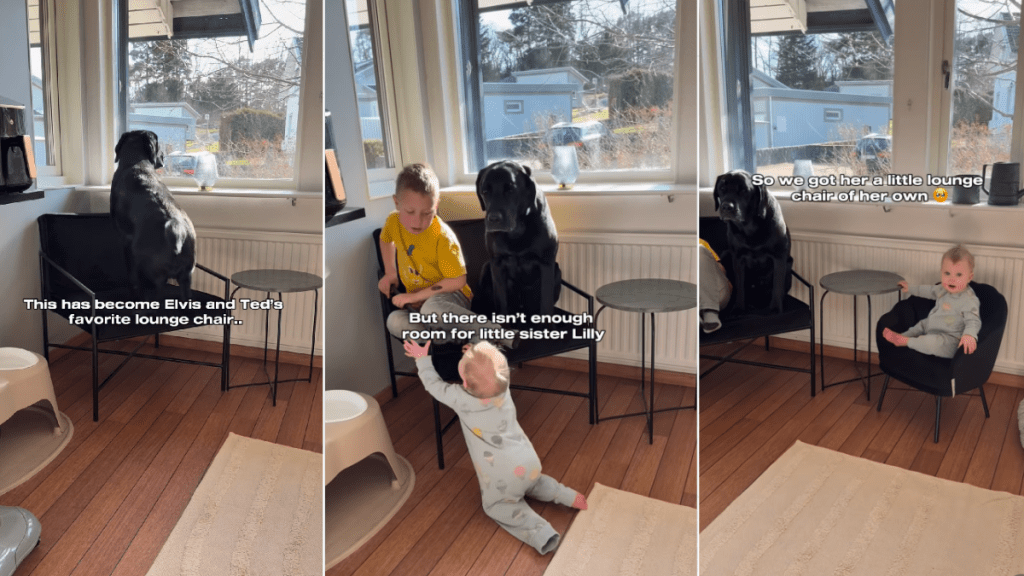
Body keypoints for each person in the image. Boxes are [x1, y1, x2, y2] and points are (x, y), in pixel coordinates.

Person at [403, 339, 588, 555]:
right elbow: (493, 366)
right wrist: (477, 354)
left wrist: (422, 359)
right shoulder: (503, 388)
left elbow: (433, 385)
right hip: (529, 461)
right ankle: (567, 496)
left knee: (497, 506)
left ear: (465, 383)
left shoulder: (460, 398)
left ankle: (541, 533)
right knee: (534, 482)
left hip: (503, 476)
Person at [378, 163, 506, 348]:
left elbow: (457, 281)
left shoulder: (442, 237)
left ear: (436, 205)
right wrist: (391, 273)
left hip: (451, 299)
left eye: (427, 213)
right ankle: (467, 337)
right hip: (420, 306)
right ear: (397, 203)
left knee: (431, 309)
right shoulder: (393, 222)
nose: (417, 222)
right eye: (410, 212)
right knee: (395, 322)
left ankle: (493, 332)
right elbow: (385, 240)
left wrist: (415, 297)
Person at [882, 244, 981, 358]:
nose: (952, 279)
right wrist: (910, 288)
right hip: (933, 326)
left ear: (969, 277)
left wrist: (969, 335)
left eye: (958, 275)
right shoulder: (942, 289)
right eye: (947, 273)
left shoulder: (969, 300)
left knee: (932, 343)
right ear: (941, 272)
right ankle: (903, 336)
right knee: (922, 324)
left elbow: (973, 321)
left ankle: (906, 341)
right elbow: (928, 290)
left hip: (949, 340)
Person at [699, 238, 731, 332]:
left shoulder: (700, 242)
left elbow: (721, 270)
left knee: (699, 249)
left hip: (717, 294)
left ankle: (709, 312)